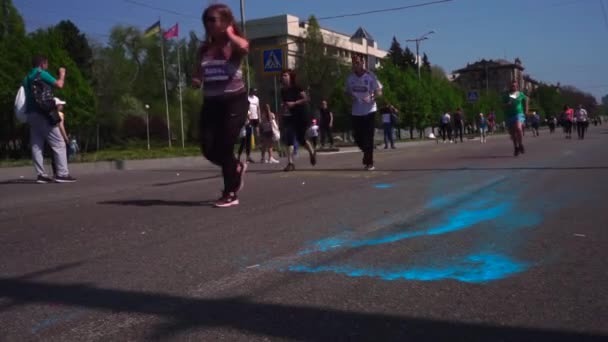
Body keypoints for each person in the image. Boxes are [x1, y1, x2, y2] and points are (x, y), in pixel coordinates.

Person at [192, 3, 250, 208]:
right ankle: (236, 167)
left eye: (212, 20)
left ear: (225, 22)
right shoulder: (204, 50)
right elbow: (199, 73)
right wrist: (196, 81)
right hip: (211, 102)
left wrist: (230, 33)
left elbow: (245, 47)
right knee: (208, 148)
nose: (208, 24)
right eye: (205, 20)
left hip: (234, 101)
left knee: (225, 146)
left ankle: (230, 193)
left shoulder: (233, 46)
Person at [23, 55, 76, 183]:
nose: (47, 67)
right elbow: (59, 84)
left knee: (36, 144)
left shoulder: (26, 78)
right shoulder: (41, 74)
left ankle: (41, 174)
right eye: (46, 64)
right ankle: (62, 174)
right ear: (42, 64)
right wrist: (62, 74)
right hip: (43, 112)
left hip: (30, 113)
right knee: (59, 142)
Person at [346, 53, 382, 171]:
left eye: (357, 62)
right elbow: (347, 92)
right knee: (357, 137)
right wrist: (350, 96)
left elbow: (379, 92)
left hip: (370, 110)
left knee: (368, 137)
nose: (355, 65)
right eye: (353, 62)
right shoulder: (350, 78)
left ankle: (369, 161)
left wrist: (372, 97)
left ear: (363, 63)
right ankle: (366, 152)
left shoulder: (371, 76)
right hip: (356, 111)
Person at [280, 69, 316, 172]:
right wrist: (281, 113)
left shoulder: (297, 87)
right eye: (282, 76)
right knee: (289, 138)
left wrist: (294, 103)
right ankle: (290, 163)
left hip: (302, 114)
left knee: (301, 139)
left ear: (290, 77)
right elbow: (285, 103)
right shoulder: (283, 90)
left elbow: (306, 98)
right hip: (291, 115)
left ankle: (312, 152)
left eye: (285, 75)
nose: (283, 77)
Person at [503, 80, 529, 156]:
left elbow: (527, 99)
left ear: (517, 86)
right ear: (510, 86)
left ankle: (520, 144)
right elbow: (502, 105)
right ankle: (516, 147)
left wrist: (526, 109)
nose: (513, 87)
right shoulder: (506, 95)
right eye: (512, 86)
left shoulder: (519, 94)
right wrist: (507, 104)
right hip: (509, 115)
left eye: (514, 86)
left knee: (518, 128)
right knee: (513, 134)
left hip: (518, 114)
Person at [50, 98, 70, 177]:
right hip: (59, 137)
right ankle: (63, 172)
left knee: (53, 155)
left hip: (51, 137)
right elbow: (61, 126)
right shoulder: (60, 114)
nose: (62, 106)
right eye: (61, 105)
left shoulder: (49, 114)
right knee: (63, 155)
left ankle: (55, 173)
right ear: (57, 106)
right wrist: (66, 138)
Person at [247, 88, 260, 163]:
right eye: (253, 91)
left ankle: (258, 144)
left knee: (257, 132)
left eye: (255, 91)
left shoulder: (256, 99)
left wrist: (259, 117)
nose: (254, 93)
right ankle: (249, 154)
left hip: (255, 117)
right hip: (250, 118)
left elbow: (258, 108)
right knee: (249, 134)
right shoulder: (247, 98)